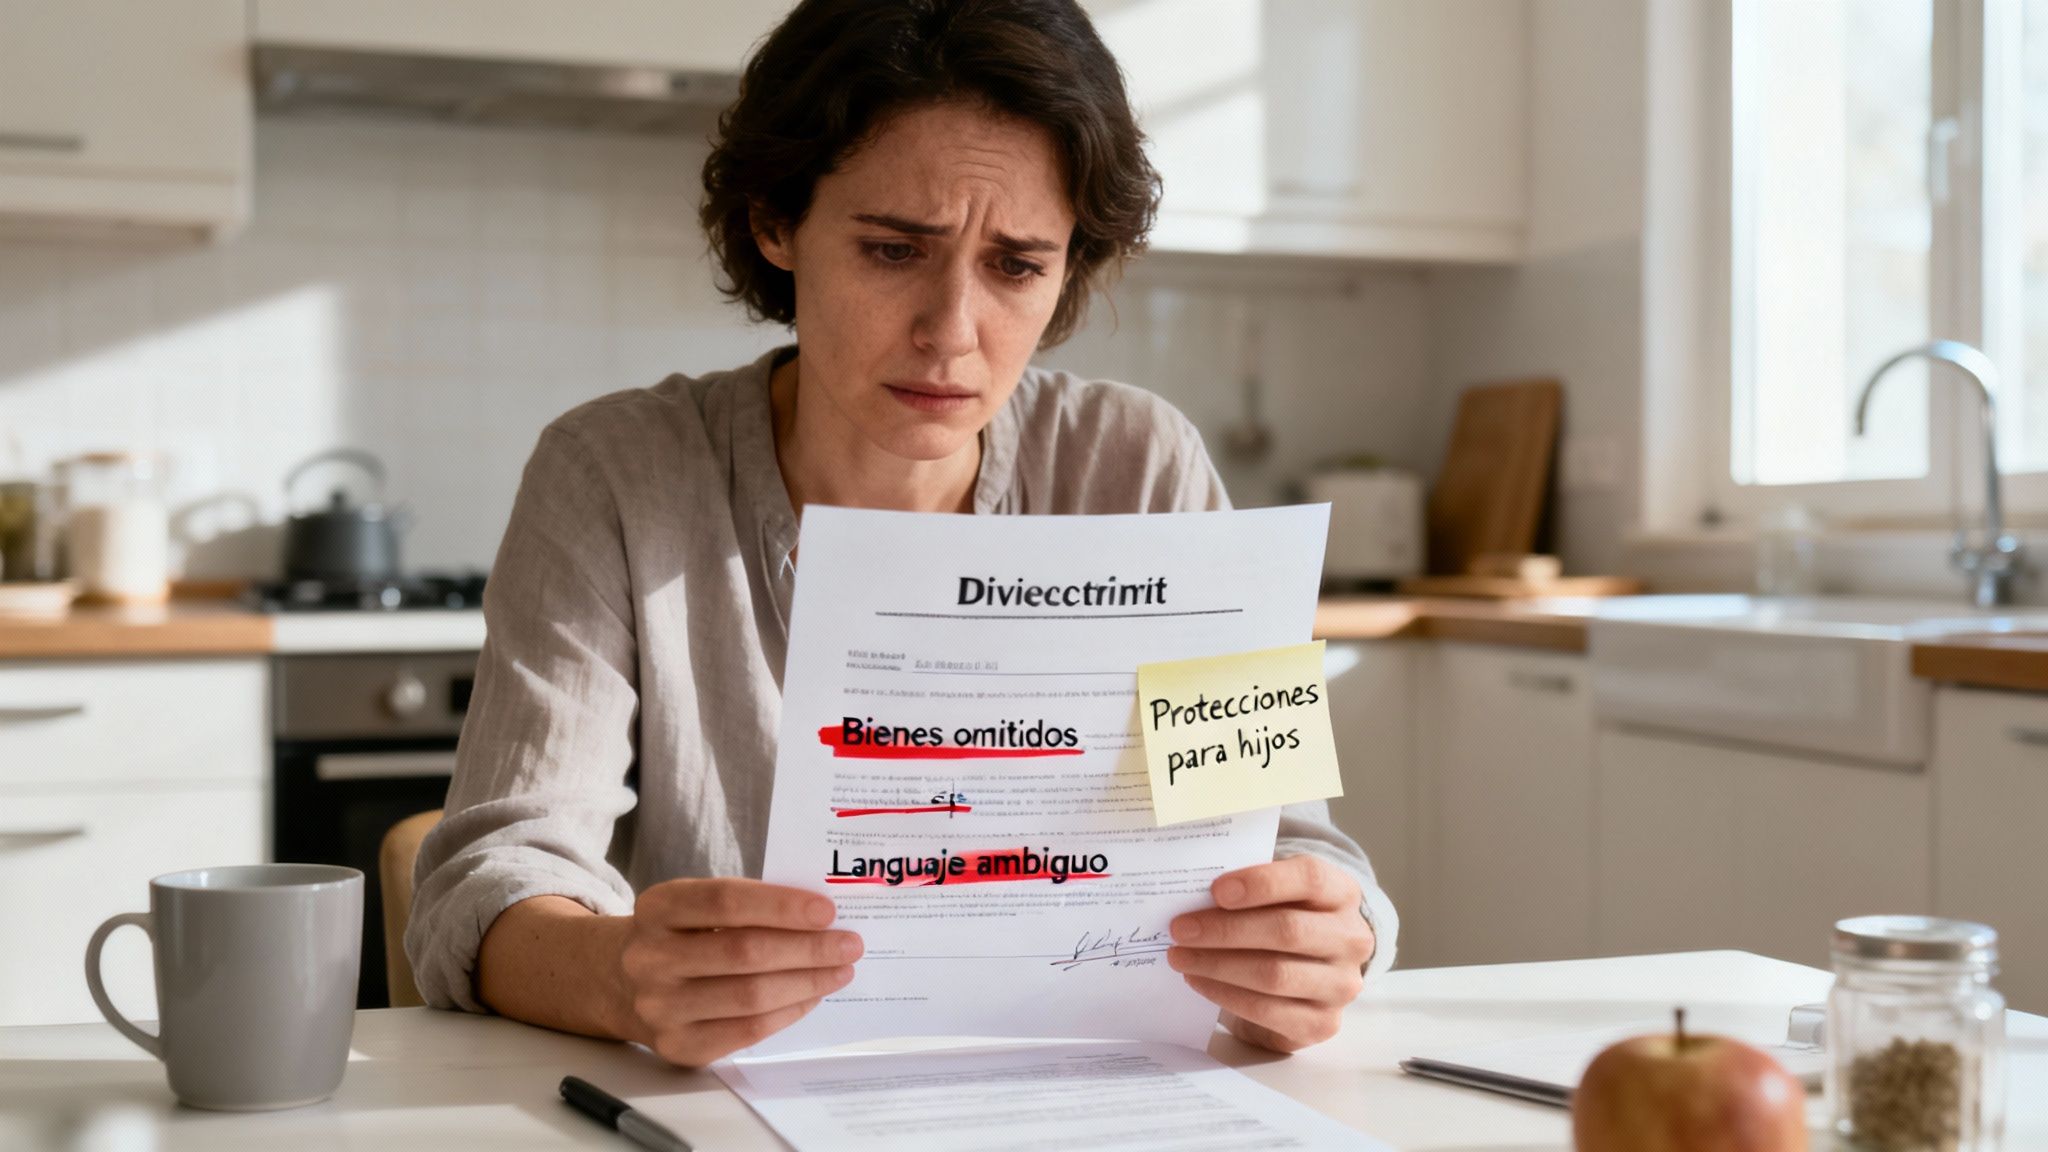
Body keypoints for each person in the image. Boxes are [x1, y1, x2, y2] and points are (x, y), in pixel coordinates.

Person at [407, 0, 1399, 1069]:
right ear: (774, 221)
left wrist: (1316, 947)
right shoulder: (617, 474)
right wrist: (615, 974)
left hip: (1084, 1103)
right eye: (892, 249)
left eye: (1016, 266)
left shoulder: (1141, 470)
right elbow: (489, 881)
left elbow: (1297, 848)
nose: (951, 331)